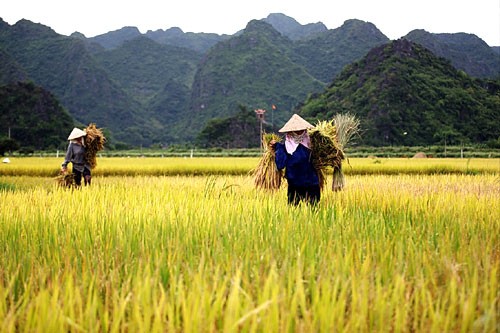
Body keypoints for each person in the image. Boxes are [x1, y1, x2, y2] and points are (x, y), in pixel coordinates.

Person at [269, 114, 320, 205]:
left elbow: (322, 157)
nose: (299, 132)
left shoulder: (313, 142)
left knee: (314, 208)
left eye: (301, 130)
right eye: (296, 130)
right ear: (291, 131)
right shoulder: (285, 146)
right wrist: (276, 146)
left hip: (311, 182)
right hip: (294, 183)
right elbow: (280, 165)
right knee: (294, 209)